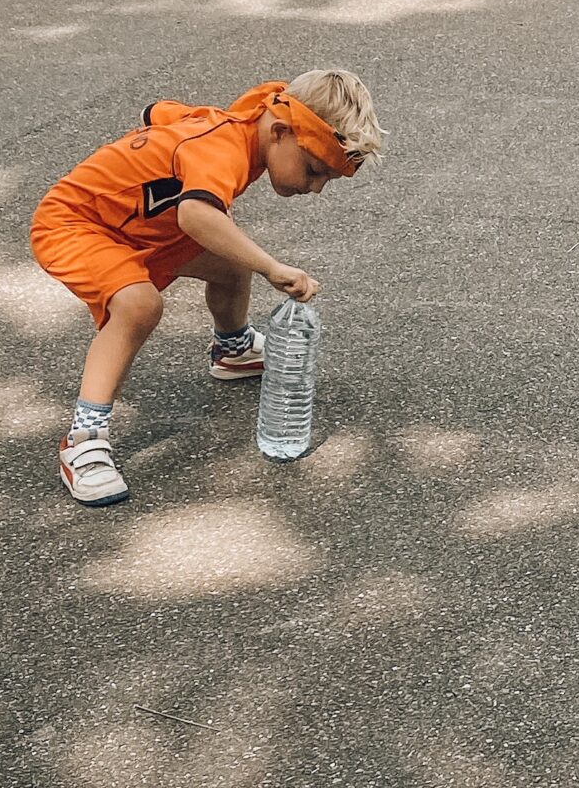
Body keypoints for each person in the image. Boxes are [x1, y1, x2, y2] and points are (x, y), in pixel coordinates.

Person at [30, 70, 384, 507]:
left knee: (233, 260)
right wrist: (272, 268)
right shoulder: (222, 147)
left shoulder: (237, 122)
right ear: (279, 131)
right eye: (314, 170)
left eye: (327, 179)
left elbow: (158, 111)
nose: (315, 188)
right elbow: (195, 216)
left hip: (147, 230)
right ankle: (83, 441)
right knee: (139, 305)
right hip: (76, 226)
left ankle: (232, 350)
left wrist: (152, 139)